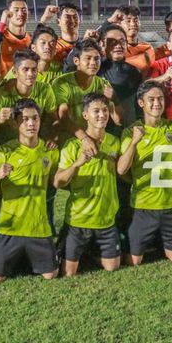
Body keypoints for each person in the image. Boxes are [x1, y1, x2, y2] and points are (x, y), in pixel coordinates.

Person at [0, 99, 59, 282]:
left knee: (51, 275)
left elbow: (58, 182)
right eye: (25, 119)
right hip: (9, 227)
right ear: (15, 122)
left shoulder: (50, 151)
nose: (31, 123)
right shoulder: (3, 152)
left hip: (39, 228)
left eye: (35, 118)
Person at [117, 81, 172, 265]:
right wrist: (134, 142)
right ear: (141, 103)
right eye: (151, 99)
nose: (157, 103)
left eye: (160, 99)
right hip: (143, 206)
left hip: (169, 205)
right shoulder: (132, 131)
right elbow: (121, 169)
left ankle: (158, 240)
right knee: (133, 261)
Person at [54, 93, 122, 275]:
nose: (101, 115)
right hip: (78, 219)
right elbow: (58, 182)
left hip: (106, 219)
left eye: (105, 111)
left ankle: (89, 251)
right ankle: (72, 247)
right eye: (96, 111)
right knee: (68, 273)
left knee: (112, 267)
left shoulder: (115, 142)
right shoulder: (72, 146)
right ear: (85, 115)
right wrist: (77, 163)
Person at [0, 49, 58, 146]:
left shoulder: (45, 89)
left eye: (34, 69)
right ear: (15, 72)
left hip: (33, 145)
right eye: (26, 69)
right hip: (6, 147)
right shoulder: (2, 94)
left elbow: (55, 119)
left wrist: (52, 137)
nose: (31, 74)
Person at [97, 24, 142, 132]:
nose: (118, 46)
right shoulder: (94, 68)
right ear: (102, 44)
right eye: (112, 42)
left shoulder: (134, 71)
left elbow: (137, 107)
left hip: (126, 131)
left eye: (122, 41)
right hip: (98, 132)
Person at [0, 0, 32, 77]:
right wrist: (2, 23)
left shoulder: (31, 39)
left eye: (24, 10)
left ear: (29, 14)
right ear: (8, 14)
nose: (20, 13)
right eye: (16, 10)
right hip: (3, 86)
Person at [107, 5, 154, 77]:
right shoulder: (112, 49)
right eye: (128, 21)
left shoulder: (148, 48)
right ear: (119, 24)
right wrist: (108, 22)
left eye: (136, 20)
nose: (133, 24)